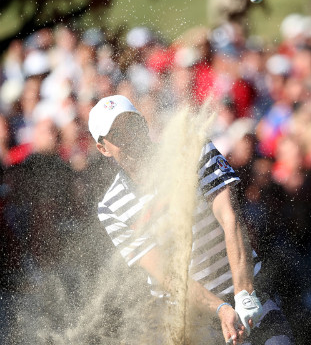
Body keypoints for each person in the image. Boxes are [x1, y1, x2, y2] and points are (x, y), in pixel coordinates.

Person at [88, 95, 292, 345]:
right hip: (189, 316)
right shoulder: (111, 207)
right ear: (103, 148)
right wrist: (221, 309)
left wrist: (243, 293)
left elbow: (230, 218)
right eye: (117, 135)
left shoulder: (193, 149)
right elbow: (166, 274)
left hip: (244, 286)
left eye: (132, 125)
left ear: (143, 123)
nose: (129, 138)